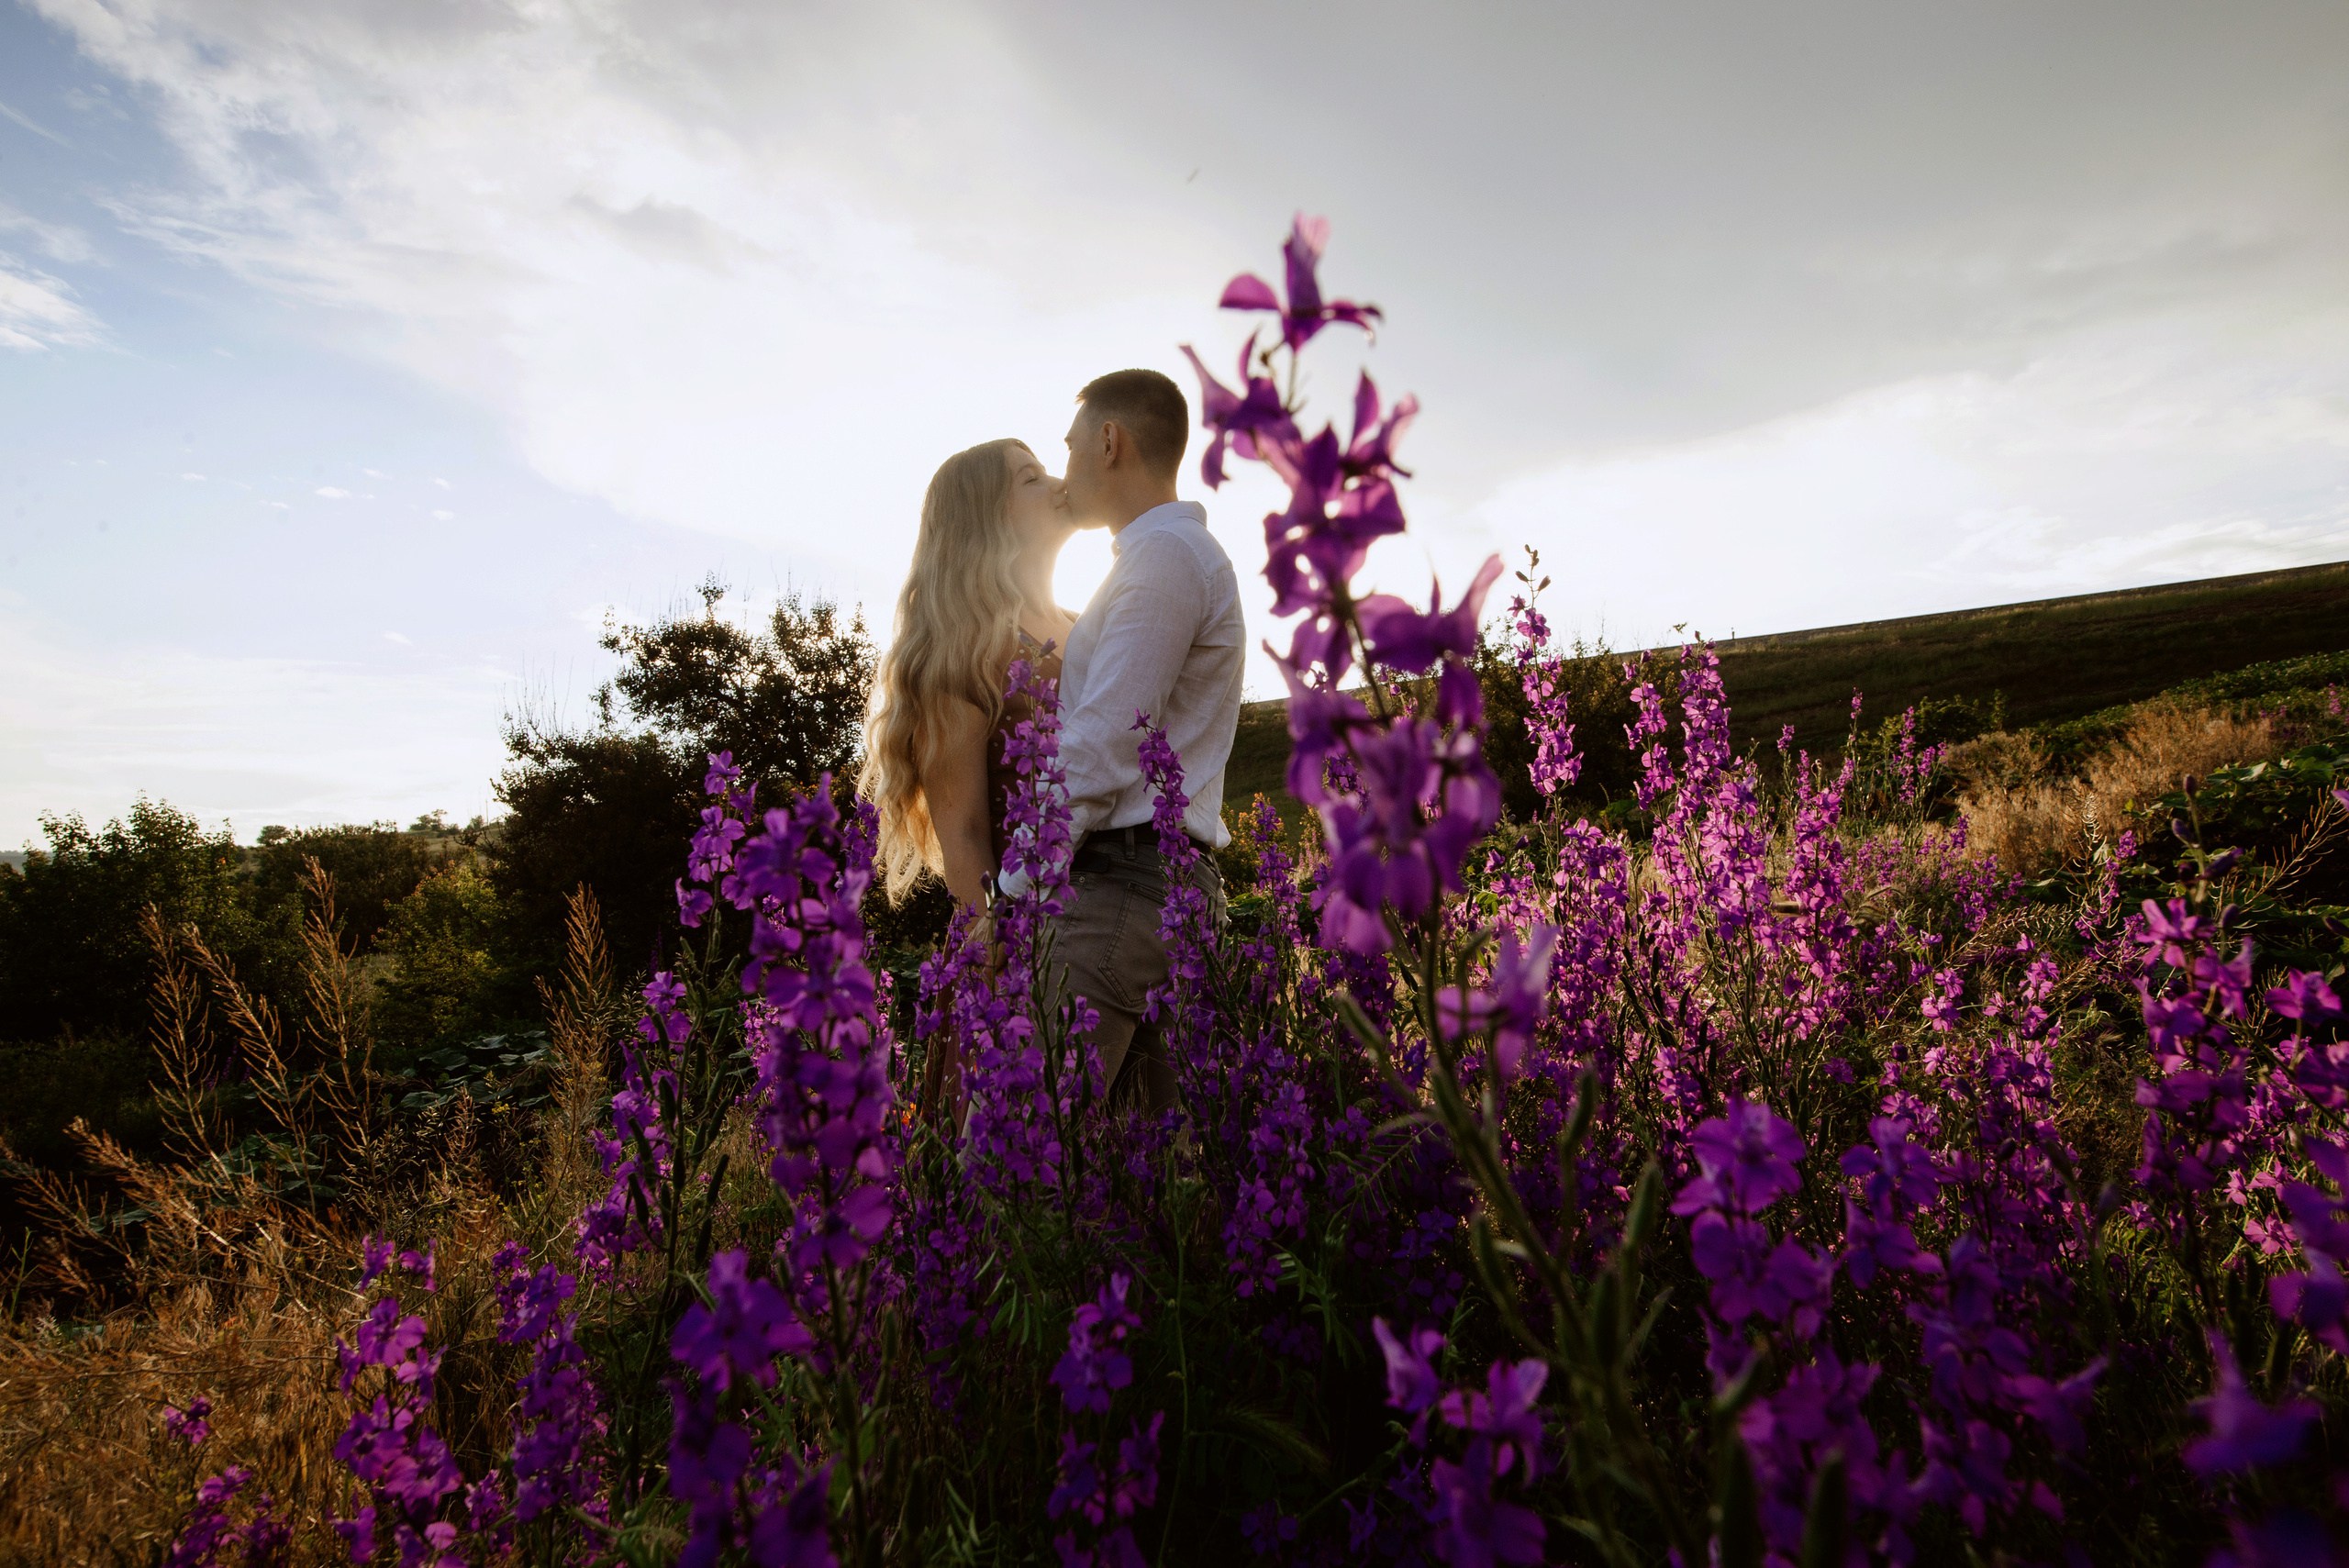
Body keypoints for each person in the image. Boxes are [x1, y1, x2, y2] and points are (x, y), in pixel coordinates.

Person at [998, 368, 1246, 1113]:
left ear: (1110, 442)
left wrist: (1010, 892)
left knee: (1009, 1170)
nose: (1064, 466)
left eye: (1070, 446)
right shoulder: (1166, 557)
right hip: (1157, 895)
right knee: (1137, 1199)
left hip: (1121, 897)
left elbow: (1103, 743)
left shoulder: (1165, 558)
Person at [859, 436, 1078, 1121]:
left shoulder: (1084, 623)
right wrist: (1006, 975)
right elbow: (965, 833)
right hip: (1022, 938)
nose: (1058, 483)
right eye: (1031, 477)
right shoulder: (965, 648)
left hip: (1109, 915)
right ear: (990, 517)